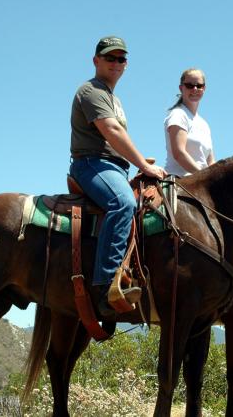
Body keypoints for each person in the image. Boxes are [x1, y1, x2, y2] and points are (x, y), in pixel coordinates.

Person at [69, 36, 166, 318]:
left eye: (121, 59)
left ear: (126, 65)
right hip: (92, 164)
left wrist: (136, 161)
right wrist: (143, 165)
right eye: (109, 58)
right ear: (96, 60)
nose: (115, 63)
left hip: (114, 167)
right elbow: (112, 131)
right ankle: (105, 288)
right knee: (123, 203)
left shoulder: (114, 98)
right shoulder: (91, 91)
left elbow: (117, 138)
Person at [164, 68, 215, 176]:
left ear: (204, 88)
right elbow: (179, 153)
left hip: (200, 184)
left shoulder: (204, 124)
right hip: (180, 182)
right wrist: (204, 176)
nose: (195, 89)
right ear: (181, 88)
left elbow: (211, 162)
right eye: (189, 86)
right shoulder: (178, 114)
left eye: (199, 86)